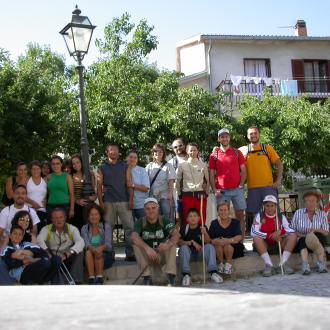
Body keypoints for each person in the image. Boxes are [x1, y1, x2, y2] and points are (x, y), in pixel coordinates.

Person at [97, 143, 134, 260]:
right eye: (110, 150)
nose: (113, 152)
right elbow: (98, 186)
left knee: (129, 227)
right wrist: (101, 202)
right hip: (108, 201)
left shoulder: (125, 166)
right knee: (108, 229)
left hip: (124, 200)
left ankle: (130, 253)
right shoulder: (101, 167)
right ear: (107, 152)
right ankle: (110, 253)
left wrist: (131, 199)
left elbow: (129, 184)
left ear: (118, 153)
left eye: (115, 150)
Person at [131, 198, 180, 286]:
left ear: (158, 208)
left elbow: (176, 235)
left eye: (153, 208)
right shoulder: (140, 222)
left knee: (172, 244)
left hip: (161, 254)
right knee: (136, 245)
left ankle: (171, 276)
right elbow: (134, 237)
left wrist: (168, 245)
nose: (151, 211)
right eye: (148, 209)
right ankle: (147, 277)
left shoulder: (164, 220)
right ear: (144, 210)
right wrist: (147, 248)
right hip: (148, 256)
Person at [209, 128, 247, 237]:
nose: (224, 138)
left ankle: (241, 242)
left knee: (240, 216)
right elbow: (211, 174)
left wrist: (241, 185)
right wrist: (214, 189)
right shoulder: (214, 155)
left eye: (226, 136)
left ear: (229, 138)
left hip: (237, 190)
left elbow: (243, 171)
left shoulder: (237, 152)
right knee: (222, 216)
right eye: (222, 136)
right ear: (218, 139)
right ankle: (223, 240)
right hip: (222, 191)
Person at [239, 126, 283, 217]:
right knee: (257, 216)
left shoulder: (267, 148)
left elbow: (279, 164)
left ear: (259, 135)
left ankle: (277, 231)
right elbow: (229, 152)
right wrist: (216, 149)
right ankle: (258, 231)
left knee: (274, 215)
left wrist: (278, 180)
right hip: (253, 188)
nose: (253, 135)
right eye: (251, 134)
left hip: (268, 187)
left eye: (255, 133)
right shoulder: (243, 150)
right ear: (247, 136)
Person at [251, 195, 297, 277]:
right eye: (267, 206)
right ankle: (269, 265)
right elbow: (253, 232)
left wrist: (281, 232)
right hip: (264, 245)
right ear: (264, 206)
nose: (270, 208)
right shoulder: (259, 216)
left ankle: (283, 263)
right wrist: (270, 236)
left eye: (272, 205)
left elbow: (292, 230)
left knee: (293, 236)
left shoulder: (281, 217)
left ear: (276, 206)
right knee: (256, 238)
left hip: (279, 243)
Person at [37, 208, 85, 284]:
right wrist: (47, 252)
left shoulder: (72, 228)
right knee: (43, 255)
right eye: (55, 218)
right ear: (51, 219)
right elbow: (39, 239)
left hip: (68, 257)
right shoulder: (46, 229)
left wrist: (69, 253)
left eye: (61, 217)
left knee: (80, 252)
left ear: (65, 218)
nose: (58, 220)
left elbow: (81, 242)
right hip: (53, 258)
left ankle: (76, 280)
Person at [179, 208, 223, 286]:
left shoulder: (202, 227)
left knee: (210, 247)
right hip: (189, 255)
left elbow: (208, 241)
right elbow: (179, 242)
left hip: (200, 254)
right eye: (190, 216)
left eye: (195, 216)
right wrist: (191, 242)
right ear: (187, 219)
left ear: (199, 218)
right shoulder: (184, 228)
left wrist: (205, 233)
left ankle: (213, 273)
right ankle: (186, 275)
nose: (193, 218)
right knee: (183, 248)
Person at [290, 190, 329, 275]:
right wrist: (302, 235)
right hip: (302, 239)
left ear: (317, 202)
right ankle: (305, 265)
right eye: (307, 201)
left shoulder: (322, 214)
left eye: (312, 201)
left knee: (319, 236)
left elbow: (326, 232)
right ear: (304, 203)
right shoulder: (298, 213)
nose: (309, 203)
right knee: (302, 240)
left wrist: (315, 230)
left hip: (317, 240)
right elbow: (291, 230)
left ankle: (321, 263)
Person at [176, 143, 209, 224]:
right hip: (187, 195)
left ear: (198, 151)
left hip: (200, 196)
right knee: (187, 217)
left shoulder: (203, 165)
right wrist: (180, 194)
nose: (193, 152)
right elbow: (178, 180)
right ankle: (188, 235)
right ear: (187, 151)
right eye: (191, 150)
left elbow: (207, 181)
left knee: (201, 217)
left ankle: (201, 236)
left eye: (195, 150)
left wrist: (206, 193)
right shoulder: (182, 165)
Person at [81, 203, 113, 285]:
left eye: (96, 214)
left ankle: (99, 277)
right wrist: (94, 250)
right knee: (88, 252)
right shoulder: (84, 228)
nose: (94, 217)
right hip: (89, 258)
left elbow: (108, 246)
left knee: (99, 252)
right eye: (91, 214)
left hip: (105, 256)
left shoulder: (106, 227)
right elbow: (86, 245)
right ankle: (91, 278)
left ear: (100, 216)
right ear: (88, 216)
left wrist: (100, 249)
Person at [0, 185, 40, 250]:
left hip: (26, 242)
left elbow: (34, 231)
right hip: (8, 242)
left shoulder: (31, 211)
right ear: (13, 195)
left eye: (23, 193)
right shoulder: (6, 211)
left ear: (26, 196)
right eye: (17, 193)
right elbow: (0, 232)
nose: (20, 196)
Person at [209, 202, 244, 275]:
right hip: (219, 250)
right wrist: (216, 241)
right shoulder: (214, 223)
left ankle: (228, 265)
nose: (223, 212)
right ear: (217, 212)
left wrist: (228, 240)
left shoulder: (235, 222)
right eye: (221, 210)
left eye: (225, 210)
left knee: (227, 245)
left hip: (234, 248)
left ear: (229, 211)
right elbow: (210, 239)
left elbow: (239, 237)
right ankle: (221, 264)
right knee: (218, 245)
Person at [146, 144, 176, 222]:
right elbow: (146, 181)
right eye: (156, 151)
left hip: (165, 196)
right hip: (153, 197)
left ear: (163, 153)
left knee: (167, 216)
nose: (158, 153)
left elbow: (171, 181)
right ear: (153, 153)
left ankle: (169, 233)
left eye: (160, 151)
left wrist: (170, 194)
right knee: (155, 217)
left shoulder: (168, 166)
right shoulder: (149, 166)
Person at [71, 154, 97, 231]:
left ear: (82, 163)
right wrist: (77, 201)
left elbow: (93, 189)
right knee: (79, 227)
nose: (76, 165)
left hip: (89, 204)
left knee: (91, 227)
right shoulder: (71, 176)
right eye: (73, 164)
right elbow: (70, 193)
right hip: (77, 205)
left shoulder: (90, 174)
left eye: (77, 162)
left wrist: (94, 197)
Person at [46, 155, 75, 222]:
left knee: (64, 230)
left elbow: (72, 194)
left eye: (57, 163)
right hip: (51, 207)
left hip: (64, 207)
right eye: (53, 164)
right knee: (51, 230)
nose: (55, 166)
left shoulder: (67, 176)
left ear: (61, 164)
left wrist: (72, 209)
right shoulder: (48, 177)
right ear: (51, 165)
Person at [168, 138, 188, 223]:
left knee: (192, 215)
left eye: (180, 145)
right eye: (175, 147)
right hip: (178, 196)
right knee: (180, 218)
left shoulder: (194, 157)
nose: (178, 148)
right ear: (173, 150)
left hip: (193, 193)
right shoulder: (171, 162)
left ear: (184, 146)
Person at [126, 150, 150, 221]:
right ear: (126, 158)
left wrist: (133, 185)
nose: (132, 159)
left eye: (135, 157)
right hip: (126, 204)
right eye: (130, 157)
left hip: (141, 204)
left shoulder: (142, 170)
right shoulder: (122, 170)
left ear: (137, 159)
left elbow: (146, 188)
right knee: (130, 227)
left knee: (144, 226)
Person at [26, 160, 47, 231]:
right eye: (33, 169)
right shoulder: (27, 180)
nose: (36, 171)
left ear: (41, 170)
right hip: (29, 210)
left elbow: (49, 193)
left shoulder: (45, 180)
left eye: (38, 169)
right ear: (30, 170)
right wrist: (32, 203)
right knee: (29, 233)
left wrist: (46, 199)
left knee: (41, 233)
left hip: (42, 211)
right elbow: (21, 194)